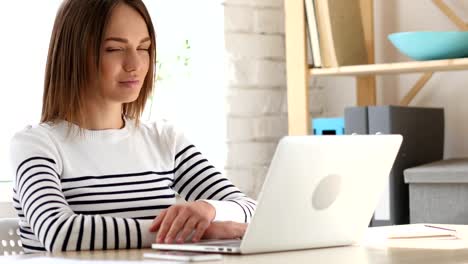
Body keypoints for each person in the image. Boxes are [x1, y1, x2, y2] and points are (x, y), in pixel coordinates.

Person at [10, 0, 256, 253]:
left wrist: (209, 209)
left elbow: (251, 209)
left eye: (144, 48)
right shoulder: (35, 145)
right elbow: (58, 232)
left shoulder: (165, 140)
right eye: (115, 49)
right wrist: (191, 233)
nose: (135, 64)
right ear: (73, 53)